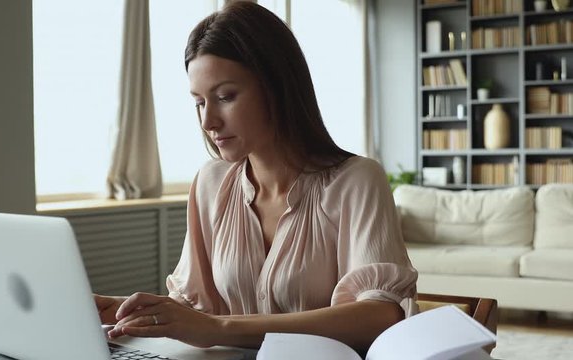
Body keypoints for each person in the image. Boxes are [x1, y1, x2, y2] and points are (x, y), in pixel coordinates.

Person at [94, 1, 417, 354]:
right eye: (199, 102)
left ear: (276, 86)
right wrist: (129, 311)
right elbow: (197, 309)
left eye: (225, 97)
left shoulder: (356, 181)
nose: (208, 121)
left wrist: (219, 327)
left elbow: (380, 316)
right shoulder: (210, 183)